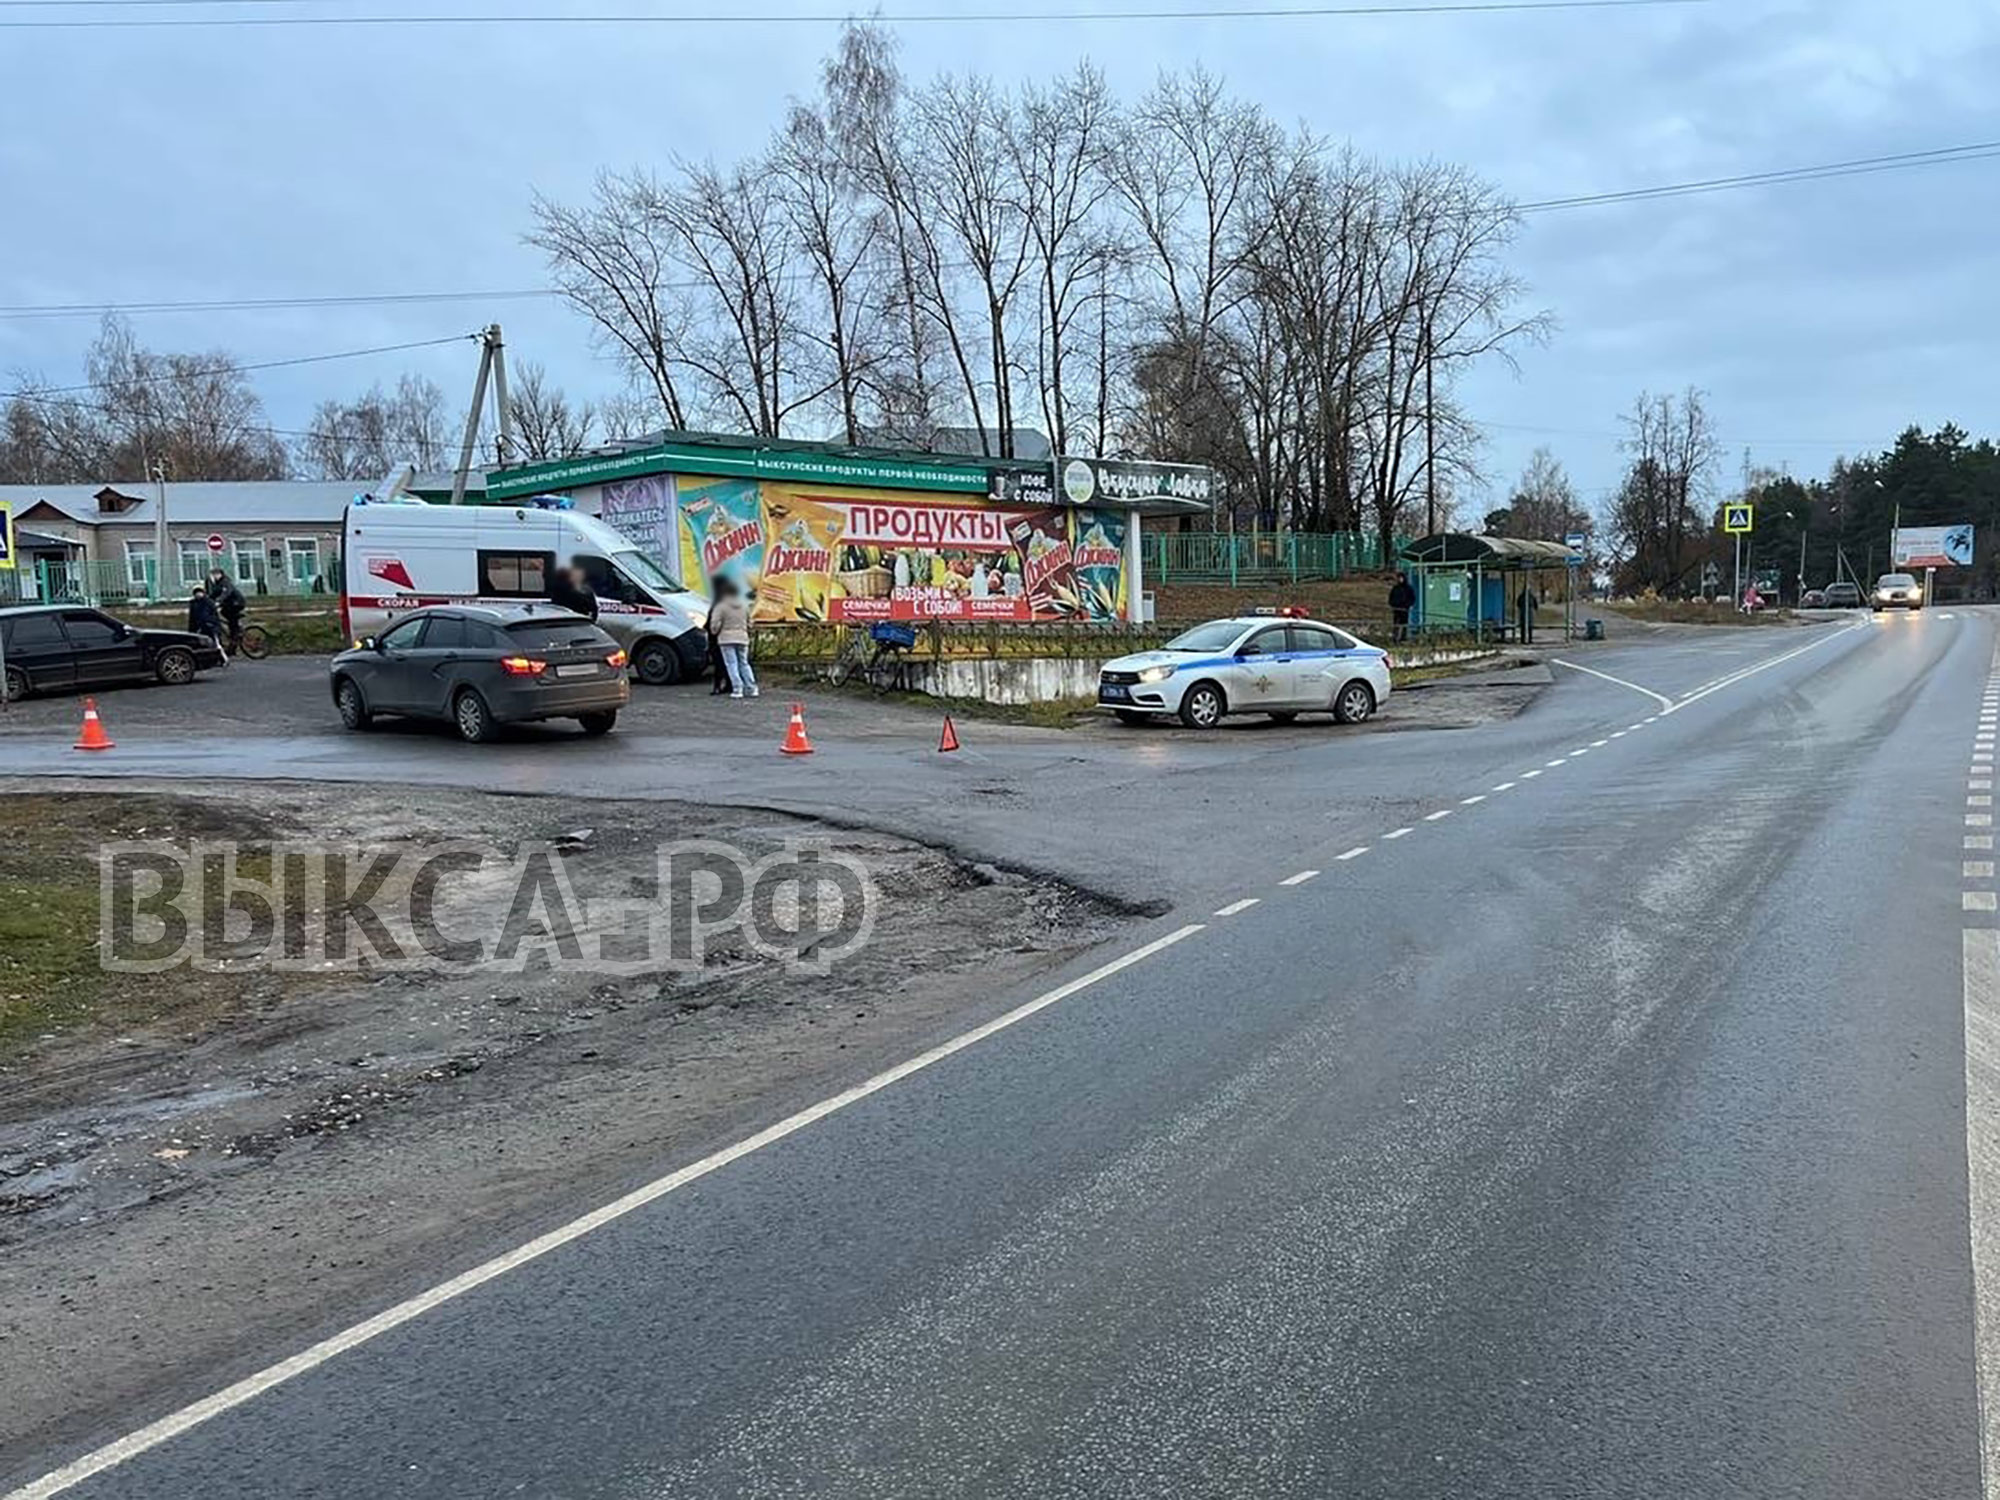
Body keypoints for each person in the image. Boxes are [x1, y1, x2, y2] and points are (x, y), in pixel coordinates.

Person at [710, 577, 757, 699]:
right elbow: (750, 623)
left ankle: (737, 689)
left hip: (726, 639)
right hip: (742, 638)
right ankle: (752, 688)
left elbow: (715, 624)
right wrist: (746, 631)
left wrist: (715, 632)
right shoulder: (744, 606)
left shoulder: (721, 606)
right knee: (744, 663)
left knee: (731, 664)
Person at [704, 578, 733, 696]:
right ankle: (730, 684)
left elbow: (712, 622)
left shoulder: (717, 603)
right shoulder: (732, 601)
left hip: (718, 637)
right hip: (731, 635)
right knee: (729, 662)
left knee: (719, 663)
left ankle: (717, 686)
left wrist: (709, 629)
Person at [207, 570, 246, 653]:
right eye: (213, 575)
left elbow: (226, 592)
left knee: (228, 614)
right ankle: (232, 644)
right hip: (228, 603)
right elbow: (213, 594)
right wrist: (206, 600)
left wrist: (219, 601)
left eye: (216, 574)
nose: (214, 577)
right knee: (223, 612)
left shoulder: (225, 581)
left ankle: (235, 631)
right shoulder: (217, 584)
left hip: (236, 602)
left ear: (221, 574)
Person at [187, 584, 224, 656]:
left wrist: (213, 625)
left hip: (211, 626)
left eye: (200, 592)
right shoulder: (193, 603)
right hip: (200, 627)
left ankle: (222, 657)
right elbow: (192, 618)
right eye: (196, 593)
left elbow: (214, 615)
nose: (198, 594)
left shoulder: (209, 602)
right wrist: (191, 630)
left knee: (217, 643)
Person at [1388, 574, 1417, 643]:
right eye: (1399, 578)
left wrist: (1407, 605)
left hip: (1404, 609)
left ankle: (1403, 638)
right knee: (1396, 624)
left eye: (1401, 578)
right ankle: (1395, 638)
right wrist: (1393, 604)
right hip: (1396, 609)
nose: (1400, 580)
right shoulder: (1395, 588)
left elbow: (1412, 598)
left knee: (1404, 624)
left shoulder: (1408, 588)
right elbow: (1391, 598)